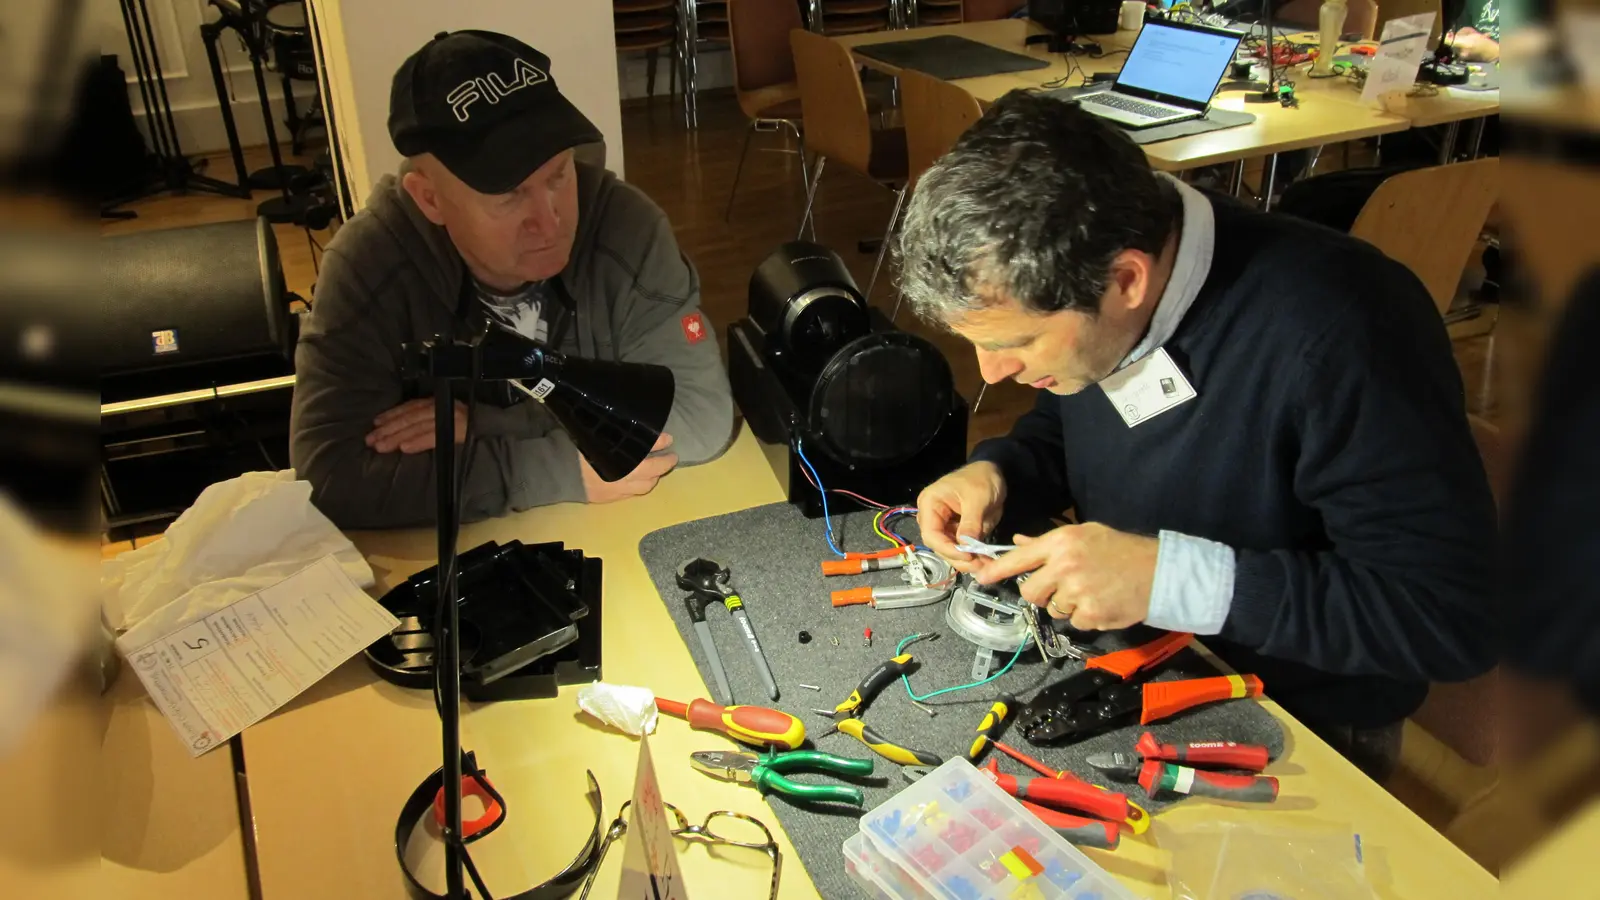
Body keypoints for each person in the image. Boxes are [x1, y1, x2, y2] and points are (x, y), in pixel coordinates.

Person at [900, 92, 1496, 778]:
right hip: (1129, 661)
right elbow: (1083, 419)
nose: (993, 374)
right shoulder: (1111, 269)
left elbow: (1448, 619)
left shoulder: (1348, 331)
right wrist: (1003, 471)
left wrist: (1171, 577)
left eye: (1018, 342)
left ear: (1126, 279)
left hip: (1295, 722)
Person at [290, 31, 734, 528]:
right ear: (429, 199)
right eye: (508, 195)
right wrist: (554, 469)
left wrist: (484, 426)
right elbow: (329, 476)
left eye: (559, 175)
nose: (550, 222)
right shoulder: (368, 264)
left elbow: (700, 416)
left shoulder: (627, 226)